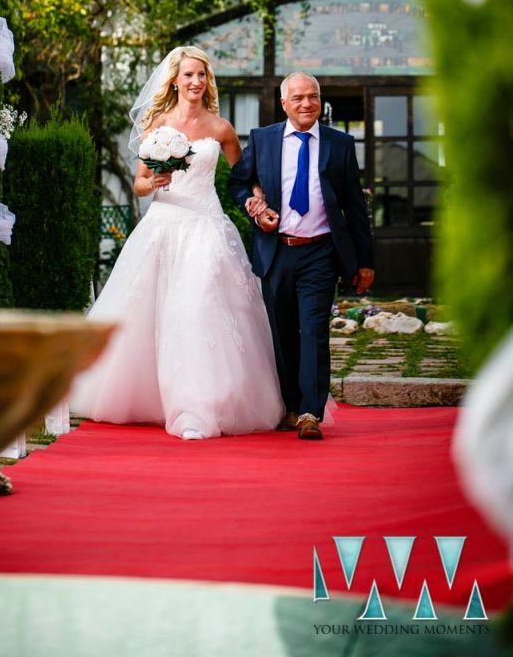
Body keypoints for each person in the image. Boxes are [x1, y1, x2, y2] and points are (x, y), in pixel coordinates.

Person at [70, 46, 284, 440]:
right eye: (188, 75)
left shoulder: (221, 129)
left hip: (207, 227)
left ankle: (199, 408)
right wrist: (153, 182)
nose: (196, 82)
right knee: (155, 313)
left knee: (199, 307)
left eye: (202, 76)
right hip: (164, 226)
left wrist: (258, 199)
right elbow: (139, 183)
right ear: (175, 80)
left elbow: (244, 176)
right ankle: (154, 398)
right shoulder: (156, 125)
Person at [228, 72, 374, 441]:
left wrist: (365, 261)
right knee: (282, 333)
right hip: (276, 251)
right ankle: (291, 406)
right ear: (284, 104)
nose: (306, 104)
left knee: (313, 330)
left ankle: (311, 410)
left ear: (320, 101)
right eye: (298, 98)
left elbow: (356, 206)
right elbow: (238, 182)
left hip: (321, 253)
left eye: (312, 97)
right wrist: (254, 207)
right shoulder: (263, 140)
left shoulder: (340, 144)